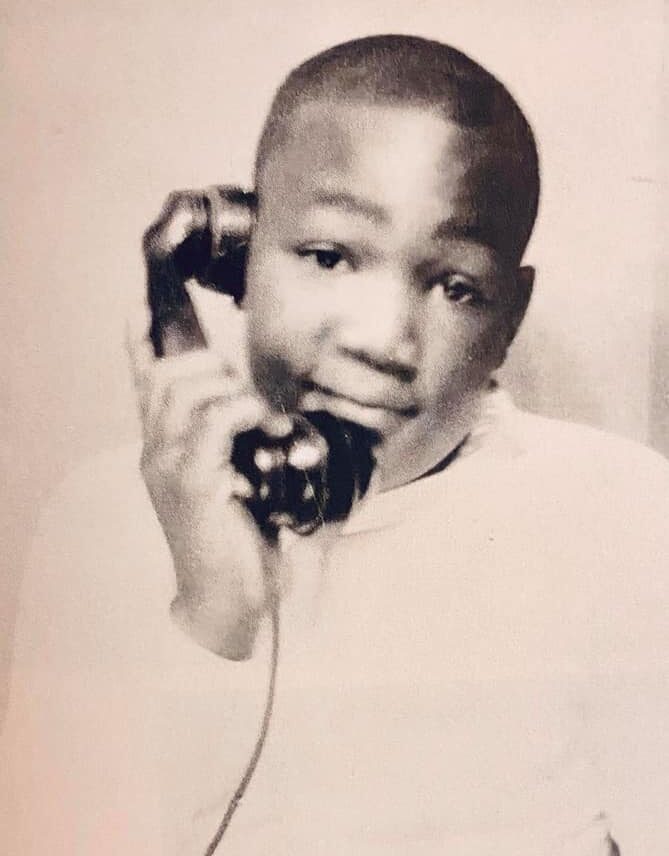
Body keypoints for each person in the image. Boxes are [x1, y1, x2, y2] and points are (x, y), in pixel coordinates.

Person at [2, 35, 668, 856]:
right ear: (234, 259)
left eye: (455, 286)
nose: (384, 340)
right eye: (327, 256)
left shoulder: (623, 518)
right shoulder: (96, 520)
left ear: (509, 319)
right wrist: (208, 615)